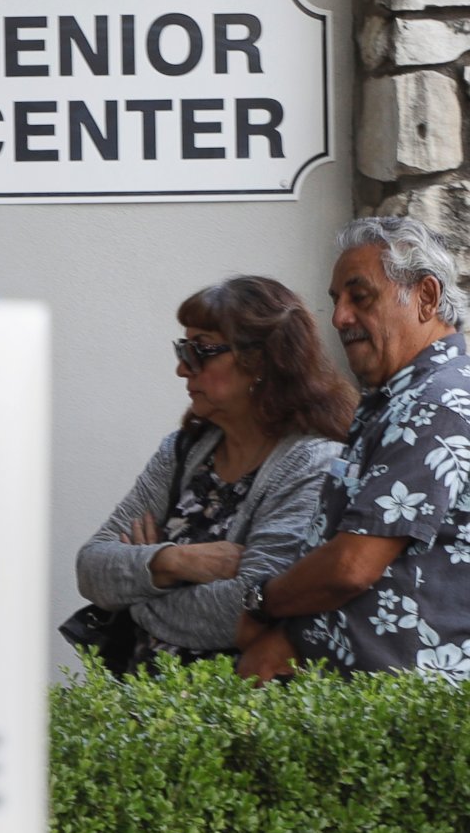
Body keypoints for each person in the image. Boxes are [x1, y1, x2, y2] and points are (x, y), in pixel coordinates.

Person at [73, 276, 350, 671]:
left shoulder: (313, 464)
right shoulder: (182, 451)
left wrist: (135, 591)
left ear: (262, 360)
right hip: (137, 711)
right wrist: (174, 562)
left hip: (231, 720)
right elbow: (91, 568)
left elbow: (245, 610)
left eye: (200, 350)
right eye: (182, 349)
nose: (182, 369)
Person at [241, 216, 470, 680]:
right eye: (337, 301)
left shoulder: (439, 401)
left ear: (425, 297)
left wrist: (263, 604)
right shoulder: (400, 397)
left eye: (360, 297)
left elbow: (350, 566)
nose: (341, 317)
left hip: (397, 714)